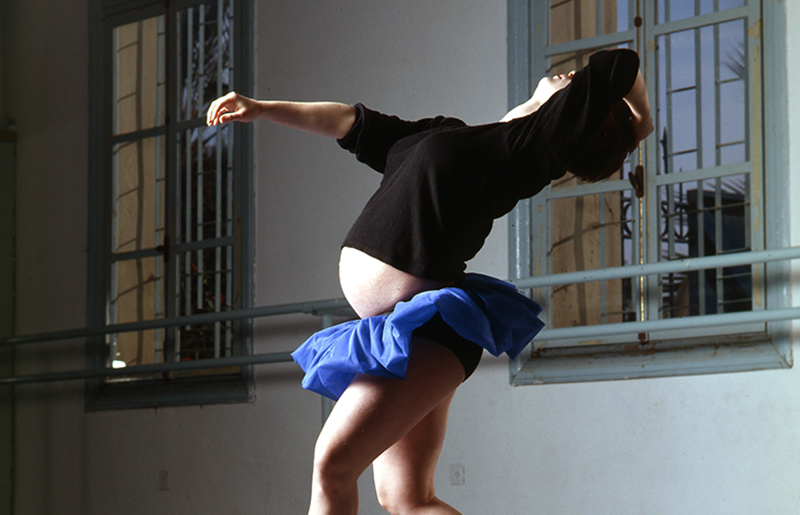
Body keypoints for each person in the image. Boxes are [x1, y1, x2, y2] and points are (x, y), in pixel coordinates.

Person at [207, 48, 652, 515]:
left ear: (580, 122)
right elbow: (349, 122)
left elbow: (620, 64)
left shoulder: (529, 148)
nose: (570, 73)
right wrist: (261, 108)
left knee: (333, 465)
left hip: (431, 328)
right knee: (407, 499)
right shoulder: (451, 133)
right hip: (401, 331)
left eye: (578, 85)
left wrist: (640, 122)